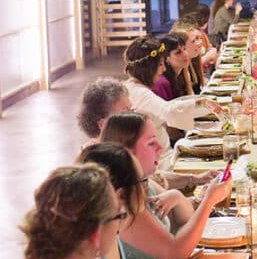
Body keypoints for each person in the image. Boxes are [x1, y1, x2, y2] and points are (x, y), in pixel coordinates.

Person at [98, 112, 232, 259]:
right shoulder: (123, 204)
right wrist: (210, 199)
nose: (160, 147)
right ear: (126, 152)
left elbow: (186, 218)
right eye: (151, 143)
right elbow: (178, 252)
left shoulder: (143, 182)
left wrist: (177, 197)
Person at [76, 77, 216, 191]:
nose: (134, 113)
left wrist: (196, 179)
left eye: (132, 108)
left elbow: (154, 179)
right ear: (103, 124)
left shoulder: (116, 147)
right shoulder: (101, 165)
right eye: (127, 111)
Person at [123, 36, 221, 169]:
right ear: (148, 68)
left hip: (163, 150)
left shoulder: (136, 86)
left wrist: (199, 102)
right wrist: (200, 103)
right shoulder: (140, 93)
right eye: (160, 64)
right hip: (160, 159)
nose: (164, 69)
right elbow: (169, 111)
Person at [152, 34, 191, 101]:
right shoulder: (162, 83)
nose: (185, 54)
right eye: (178, 52)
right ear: (166, 58)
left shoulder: (181, 74)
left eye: (184, 49)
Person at [169, 26, 206, 94]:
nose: (201, 42)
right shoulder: (175, 73)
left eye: (200, 38)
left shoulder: (191, 62)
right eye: (194, 40)